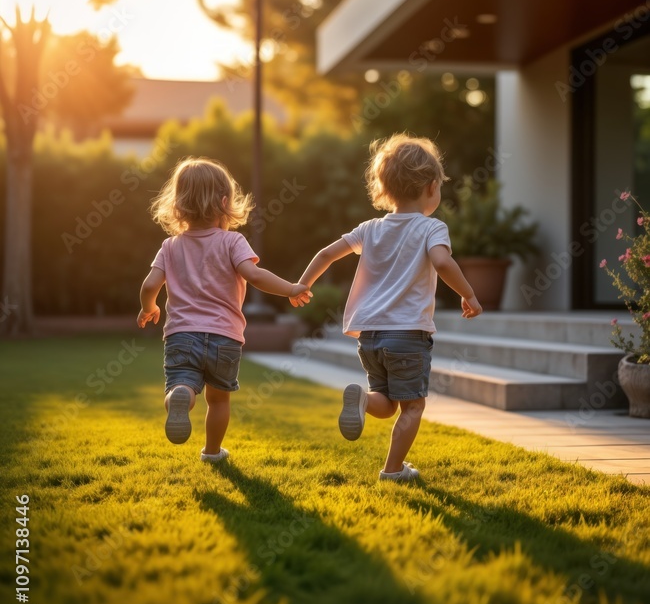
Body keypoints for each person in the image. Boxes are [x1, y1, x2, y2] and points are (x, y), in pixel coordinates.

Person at [296, 134, 482, 482]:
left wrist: (303, 284)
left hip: (369, 335)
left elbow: (325, 254)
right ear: (431, 187)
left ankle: (363, 402)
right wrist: (469, 294)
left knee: (385, 401)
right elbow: (442, 263)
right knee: (412, 405)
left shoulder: (369, 228)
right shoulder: (432, 227)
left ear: (386, 188)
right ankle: (393, 470)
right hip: (408, 335)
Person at [137, 156, 311, 462]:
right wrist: (291, 289)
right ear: (224, 201)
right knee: (219, 400)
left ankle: (181, 397)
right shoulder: (233, 242)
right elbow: (255, 276)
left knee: (183, 382)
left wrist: (148, 307)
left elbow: (150, 285)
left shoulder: (170, 246)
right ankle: (212, 451)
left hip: (181, 334)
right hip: (224, 337)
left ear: (178, 204)